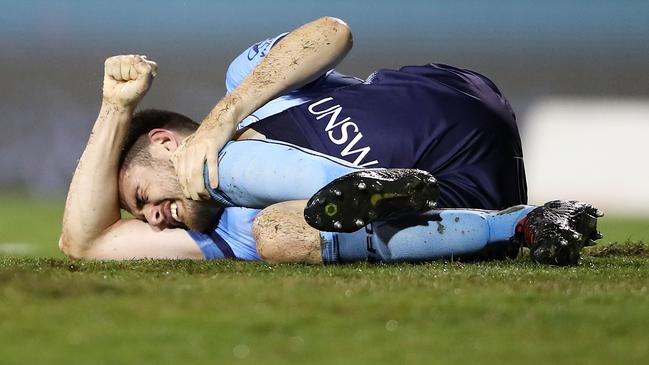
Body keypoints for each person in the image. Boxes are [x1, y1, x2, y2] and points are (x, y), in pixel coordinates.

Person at [59, 17, 602, 266]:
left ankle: (352, 188)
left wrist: (226, 116)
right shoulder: (226, 240)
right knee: (275, 232)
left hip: (451, 101)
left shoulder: (248, 85)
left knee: (215, 170)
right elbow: (83, 244)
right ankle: (530, 223)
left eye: (139, 198)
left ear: (166, 141)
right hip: (467, 194)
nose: (151, 218)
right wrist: (114, 107)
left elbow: (332, 32)